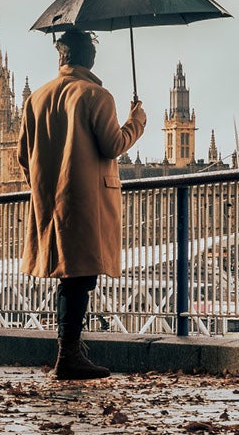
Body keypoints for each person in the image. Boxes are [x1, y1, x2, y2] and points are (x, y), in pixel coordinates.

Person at [17, 26, 146, 381]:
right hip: (86, 199)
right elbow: (113, 144)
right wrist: (137, 122)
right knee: (80, 277)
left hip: (50, 199)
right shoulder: (96, 95)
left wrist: (44, 185)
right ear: (89, 58)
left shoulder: (37, 98)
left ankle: (69, 351)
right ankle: (68, 355)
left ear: (62, 55)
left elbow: (22, 156)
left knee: (71, 277)